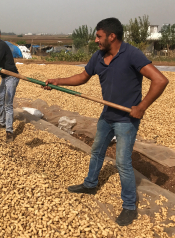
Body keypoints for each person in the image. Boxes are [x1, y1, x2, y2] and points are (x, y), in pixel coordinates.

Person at [44, 17, 169, 226]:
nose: (95, 40)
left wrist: (142, 106)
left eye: (99, 36)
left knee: (122, 163)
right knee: (97, 150)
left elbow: (160, 80)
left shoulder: (131, 54)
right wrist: (57, 81)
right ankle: (91, 184)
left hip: (126, 120)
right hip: (107, 115)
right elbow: (83, 77)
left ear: (112, 36)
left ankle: (129, 206)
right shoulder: (99, 57)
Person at [0, 25, 20, 143]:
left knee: (8, 104)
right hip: (5, 76)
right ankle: (2, 123)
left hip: (12, 77)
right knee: (0, 100)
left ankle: (9, 131)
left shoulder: (1, 45)